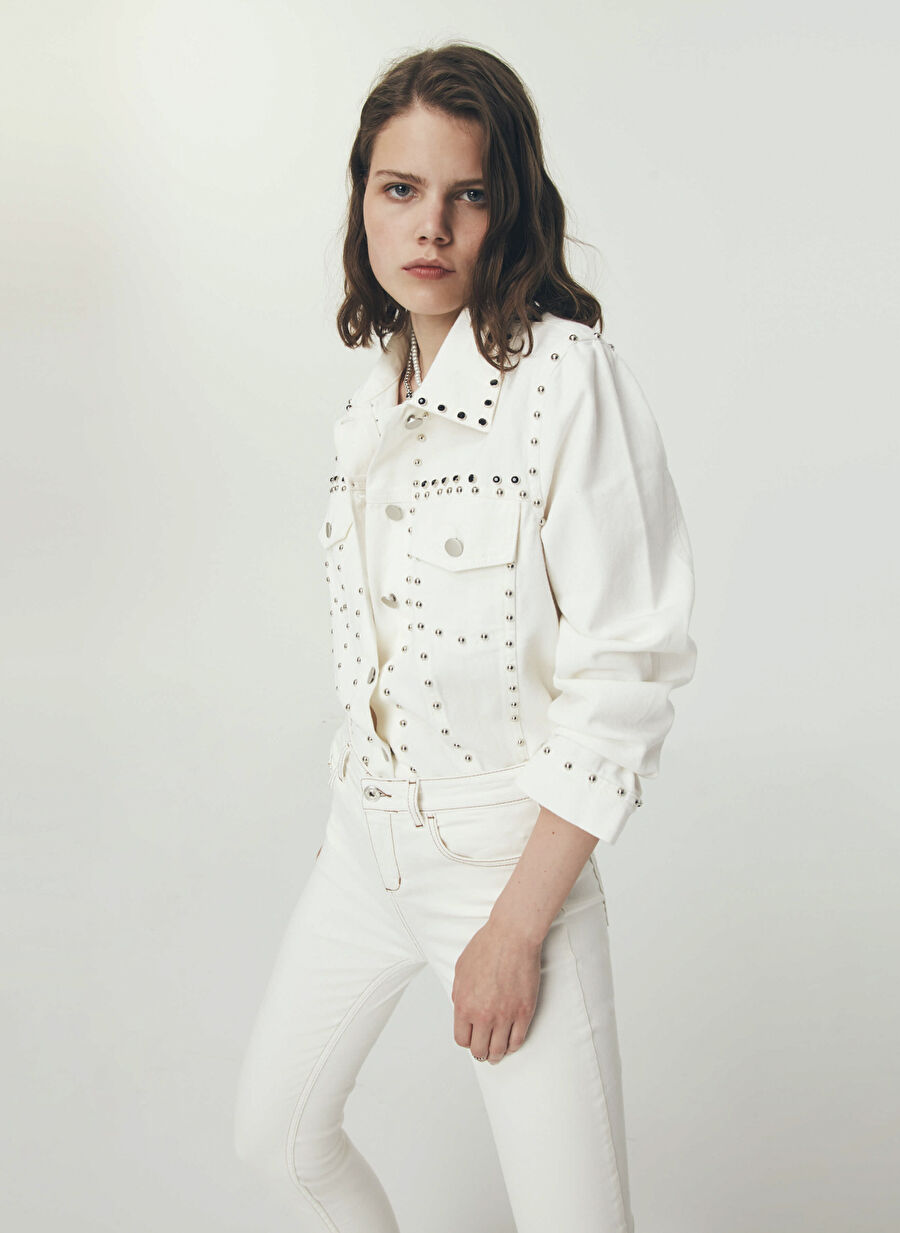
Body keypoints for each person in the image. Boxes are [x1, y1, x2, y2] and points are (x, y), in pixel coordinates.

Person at [233, 41, 697, 1233]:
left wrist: (516, 928)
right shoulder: (372, 403)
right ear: (364, 201)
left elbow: (626, 672)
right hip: (364, 851)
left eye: (469, 193)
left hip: (508, 869)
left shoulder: (567, 381)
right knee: (278, 1142)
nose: (430, 226)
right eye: (401, 189)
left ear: (513, 208)